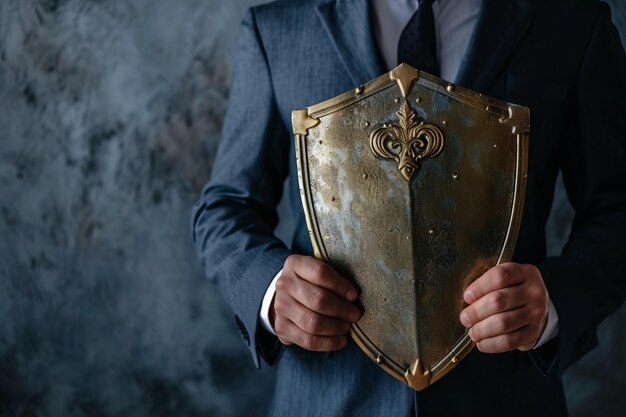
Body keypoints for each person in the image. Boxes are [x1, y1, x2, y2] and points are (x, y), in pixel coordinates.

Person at [192, 0, 626, 415]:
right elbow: (225, 207)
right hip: (329, 396)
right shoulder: (281, 30)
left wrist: (554, 301)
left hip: (504, 397)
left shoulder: (572, 25)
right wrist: (269, 289)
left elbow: (616, 206)